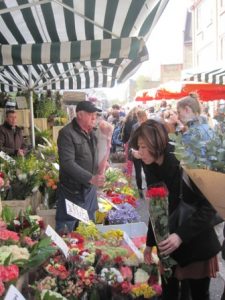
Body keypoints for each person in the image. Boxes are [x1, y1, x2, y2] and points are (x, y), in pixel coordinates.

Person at [130, 119, 221, 300]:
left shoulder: (184, 163)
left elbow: (210, 206)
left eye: (143, 147)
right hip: (169, 248)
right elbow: (157, 210)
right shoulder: (152, 167)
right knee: (170, 294)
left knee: (198, 294)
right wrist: (150, 243)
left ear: (156, 143)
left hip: (196, 244)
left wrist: (180, 235)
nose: (139, 153)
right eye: (138, 147)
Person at [55, 101, 105, 233]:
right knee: (67, 227)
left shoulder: (92, 132)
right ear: (80, 115)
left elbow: (97, 153)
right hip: (73, 191)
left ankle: (87, 252)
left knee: (88, 227)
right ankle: (63, 252)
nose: (94, 117)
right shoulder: (66, 133)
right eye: (91, 114)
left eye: (95, 114)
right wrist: (90, 178)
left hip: (89, 190)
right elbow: (67, 163)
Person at [129, 110, 148, 198]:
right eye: (140, 118)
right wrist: (133, 151)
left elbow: (131, 140)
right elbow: (132, 140)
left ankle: (141, 189)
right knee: (139, 171)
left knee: (144, 171)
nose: (141, 119)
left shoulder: (147, 125)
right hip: (138, 152)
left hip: (143, 152)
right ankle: (140, 189)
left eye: (141, 118)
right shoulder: (137, 126)